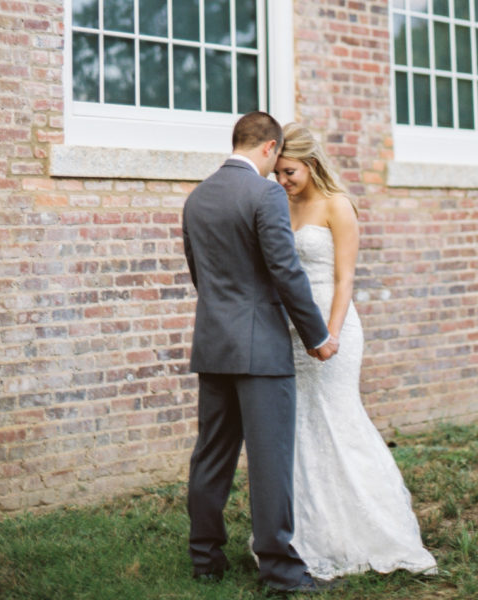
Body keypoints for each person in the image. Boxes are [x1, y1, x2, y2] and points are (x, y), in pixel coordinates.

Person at [182, 111, 339, 594]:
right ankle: (281, 573)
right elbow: (286, 271)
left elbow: (200, 274)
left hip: (213, 343)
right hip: (261, 348)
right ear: (270, 147)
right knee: (270, 462)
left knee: (211, 455)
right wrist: (317, 336)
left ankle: (205, 559)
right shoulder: (264, 192)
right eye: (278, 159)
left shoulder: (197, 197)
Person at [273, 123, 438, 581]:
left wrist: (333, 332)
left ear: (309, 163)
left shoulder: (338, 205)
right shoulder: (280, 205)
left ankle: (376, 531)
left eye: (289, 173)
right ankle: (311, 534)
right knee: (302, 428)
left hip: (333, 325)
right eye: (278, 174)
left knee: (339, 419)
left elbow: (346, 278)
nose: (283, 181)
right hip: (290, 332)